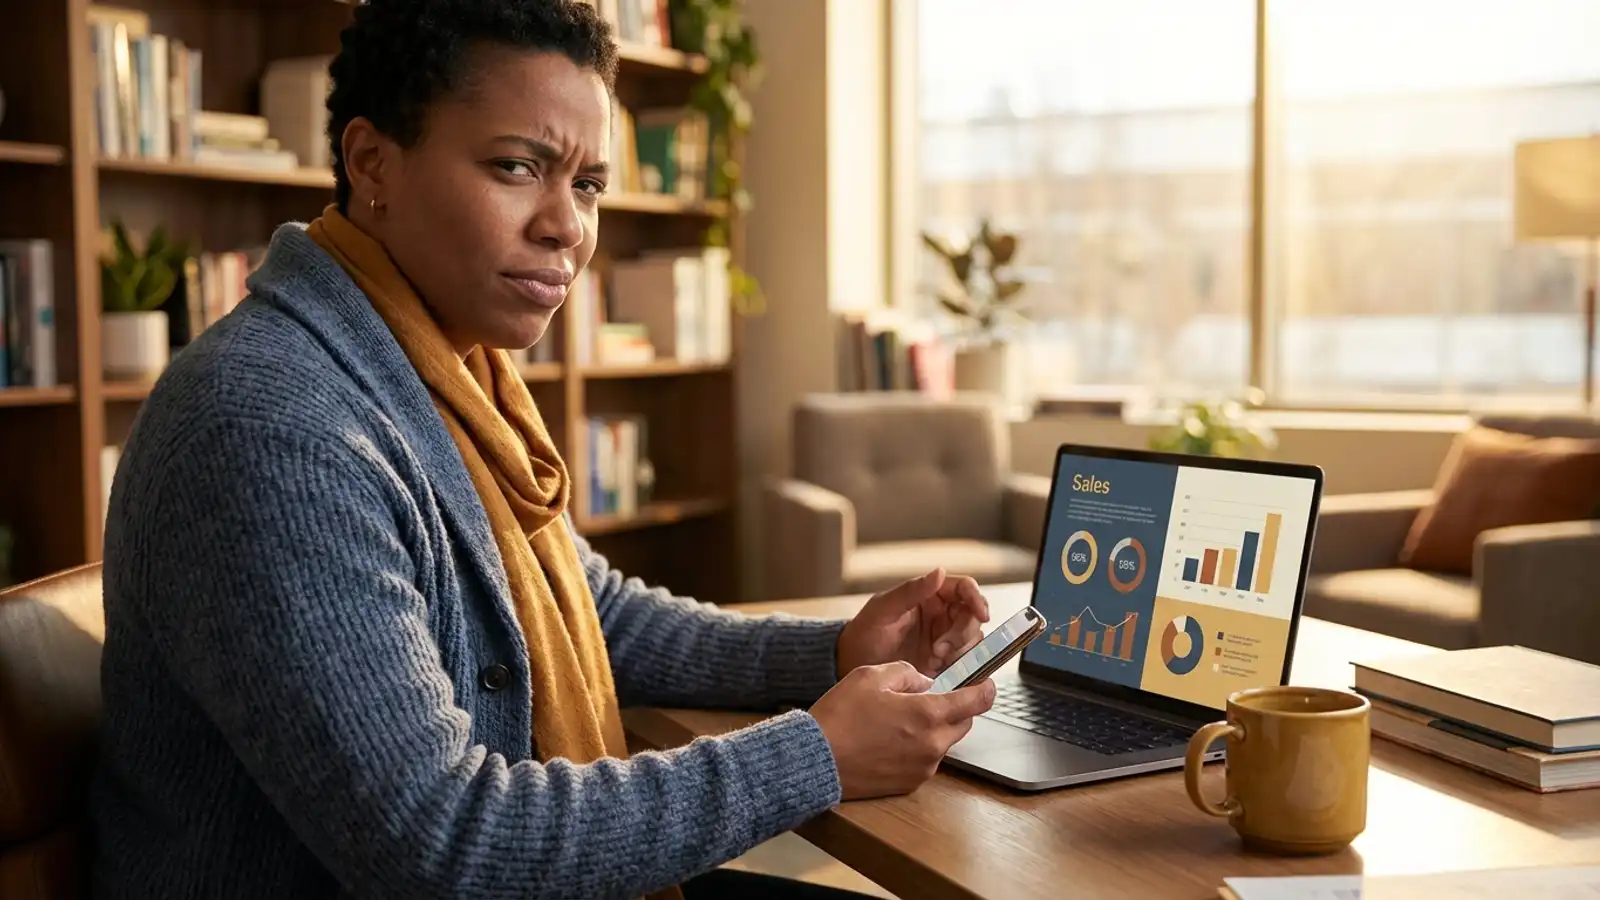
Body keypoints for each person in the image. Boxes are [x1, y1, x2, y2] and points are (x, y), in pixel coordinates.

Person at [87, 1, 998, 898]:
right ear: (373, 164)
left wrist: (834, 651)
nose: (567, 226)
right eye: (517, 166)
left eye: (589, 183)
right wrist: (817, 754)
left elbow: (592, 613)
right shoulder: (272, 429)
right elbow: (440, 843)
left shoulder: (447, 367)